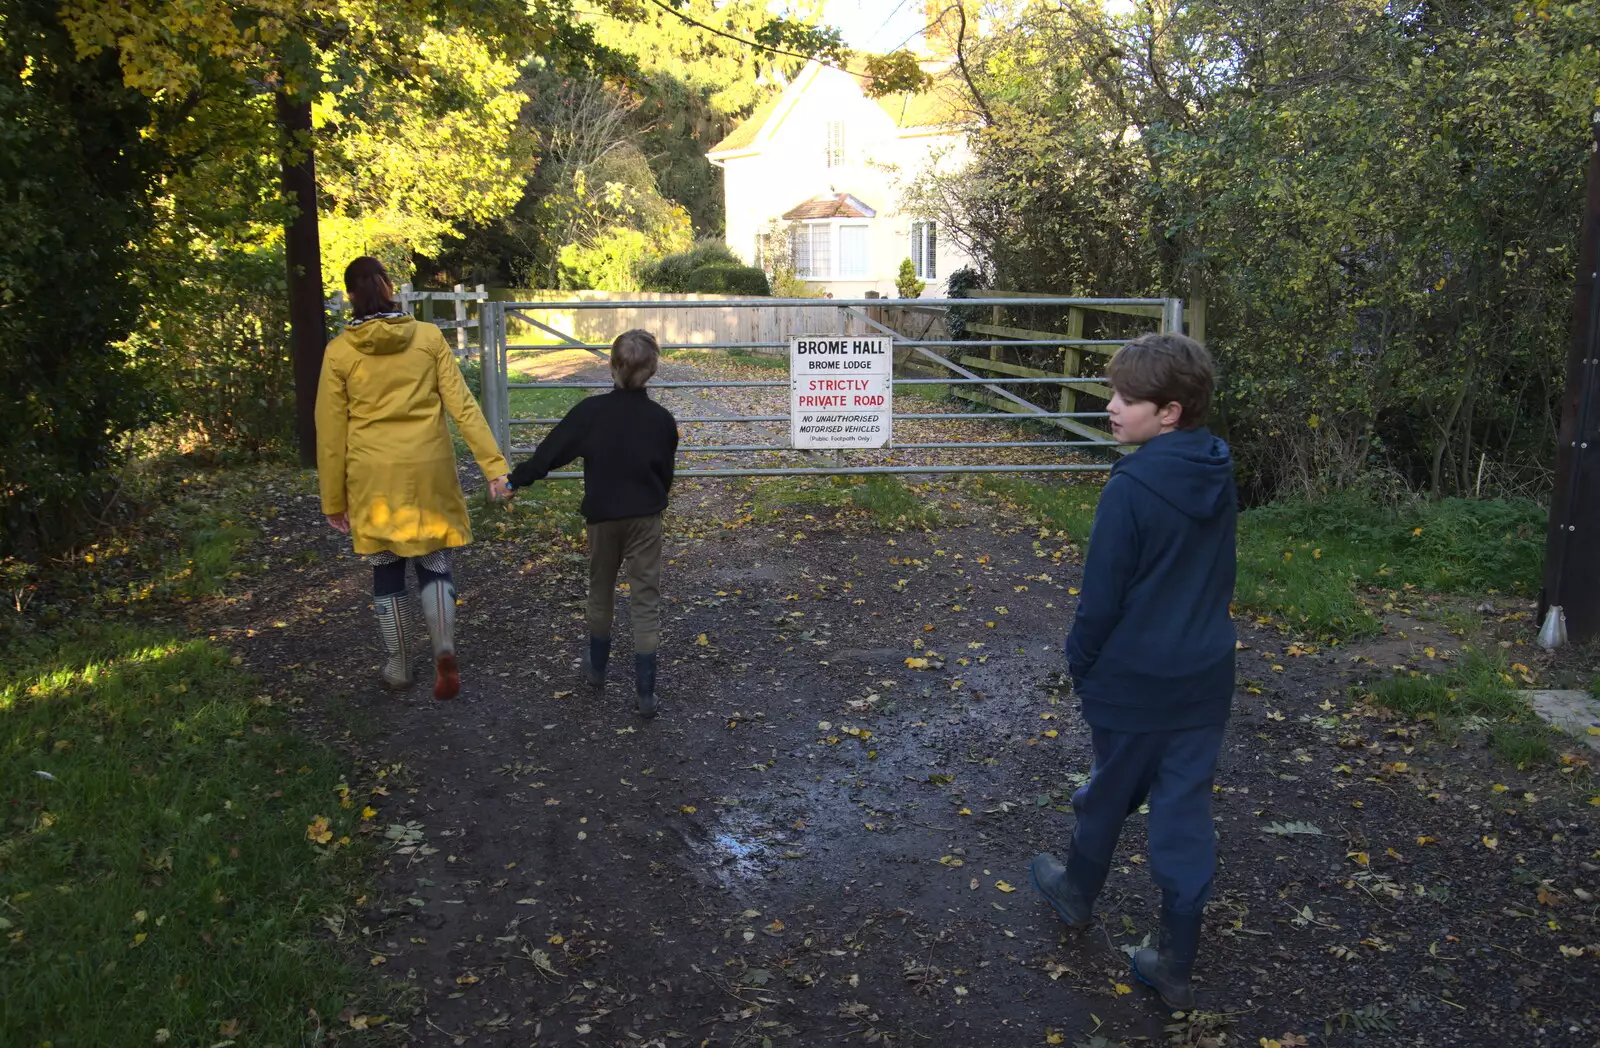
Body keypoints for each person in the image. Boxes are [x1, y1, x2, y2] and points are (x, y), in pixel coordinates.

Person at [1029, 332, 1237, 1012]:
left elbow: (1102, 600)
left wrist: (1081, 663)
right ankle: (1175, 964)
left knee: (1110, 790)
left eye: (1126, 399)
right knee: (1183, 814)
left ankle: (1076, 892)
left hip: (1135, 681)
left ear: (1169, 411)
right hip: (1204, 678)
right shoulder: (1216, 469)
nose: (1111, 407)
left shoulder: (1130, 489)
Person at [316, 256, 511, 700]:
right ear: (388, 286)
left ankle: (399, 666)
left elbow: (330, 432)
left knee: (386, 570)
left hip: (372, 478)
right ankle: (444, 647)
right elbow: (462, 405)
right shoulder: (427, 337)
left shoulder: (339, 352)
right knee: (434, 561)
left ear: (350, 295)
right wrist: (494, 467)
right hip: (429, 470)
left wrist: (333, 498)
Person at [507, 329, 678, 718]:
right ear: (653, 369)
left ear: (611, 365)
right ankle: (646, 692)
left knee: (600, 589)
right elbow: (664, 473)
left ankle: (597, 669)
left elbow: (550, 452)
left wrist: (517, 479)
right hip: (646, 518)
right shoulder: (662, 420)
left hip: (602, 519)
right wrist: (653, 499)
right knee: (645, 598)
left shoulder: (590, 413)